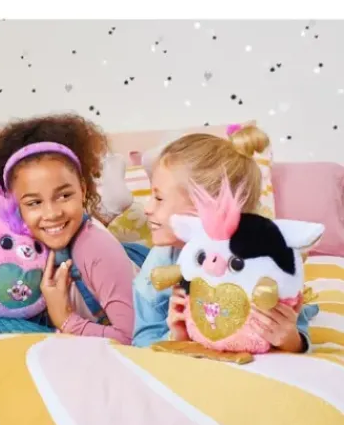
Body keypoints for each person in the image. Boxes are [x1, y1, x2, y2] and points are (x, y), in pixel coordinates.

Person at [0, 114, 136, 344]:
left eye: (64, 195)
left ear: (83, 189)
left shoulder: (95, 248)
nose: (52, 213)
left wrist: (66, 320)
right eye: (34, 202)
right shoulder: (22, 252)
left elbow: (132, 338)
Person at [132, 124, 317, 352]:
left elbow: (299, 335)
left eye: (159, 198)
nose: (147, 208)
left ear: (208, 206)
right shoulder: (161, 262)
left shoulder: (264, 254)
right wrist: (176, 336)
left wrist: (290, 339)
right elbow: (142, 338)